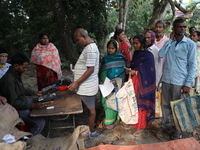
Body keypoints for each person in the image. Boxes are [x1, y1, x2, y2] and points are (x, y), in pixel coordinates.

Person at [158, 18, 196, 139]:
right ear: (174, 29)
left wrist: (188, 83)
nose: (182, 29)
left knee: (177, 107)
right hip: (167, 79)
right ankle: (166, 126)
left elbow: (192, 65)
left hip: (179, 81)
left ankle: (177, 130)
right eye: (179, 27)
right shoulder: (169, 43)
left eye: (184, 27)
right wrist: (170, 41)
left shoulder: (190, 44)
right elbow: (160, 54)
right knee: (165, 105)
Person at [0, 53, 46, 135]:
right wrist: (32, 106)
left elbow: (20, 89)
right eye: (23, 67)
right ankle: (27, 141)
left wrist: (34, 92)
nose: (25, 69)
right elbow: (14, 103)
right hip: (16, 110)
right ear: (16, 66)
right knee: (40, 122)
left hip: (22, 101)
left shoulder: (16, 74)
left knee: (40, 101)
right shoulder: (9, 80)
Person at [69, 28, 100, 137]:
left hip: (87, 87)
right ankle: (89, 127)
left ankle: (91, 131)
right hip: (86, 86)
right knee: (89, 108)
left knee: (91, 109)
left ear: (84, 37)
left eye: (78, 40)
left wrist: (76, 82)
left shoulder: (91, 49)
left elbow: (90, 70)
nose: (77, 42)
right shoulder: (89, 47)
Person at [126, 34, 156, 130]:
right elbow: (134, 65)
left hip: (143, 83)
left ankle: (141, 125)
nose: (134, 45)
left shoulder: (148, 56)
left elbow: (149, 71)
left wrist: (136, 72)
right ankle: (133, 121)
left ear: (142, 43)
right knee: (133, 102)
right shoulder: (136, 54)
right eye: (133, 43)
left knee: (141, 103)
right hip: (134, 81)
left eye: (137, 43)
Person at [99, 40, 126, 129]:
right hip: (107, 84)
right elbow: (102, 71)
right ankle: (109, 120)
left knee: (117, 101)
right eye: (109, 48)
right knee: (108, 102)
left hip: (117, 85)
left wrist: (117, 79)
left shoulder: (121, 58)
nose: (110, 50)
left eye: (112, 48)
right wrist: (102, 80)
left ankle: (118, 119)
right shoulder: (105, 58)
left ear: (116, 48)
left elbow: (124, 72)